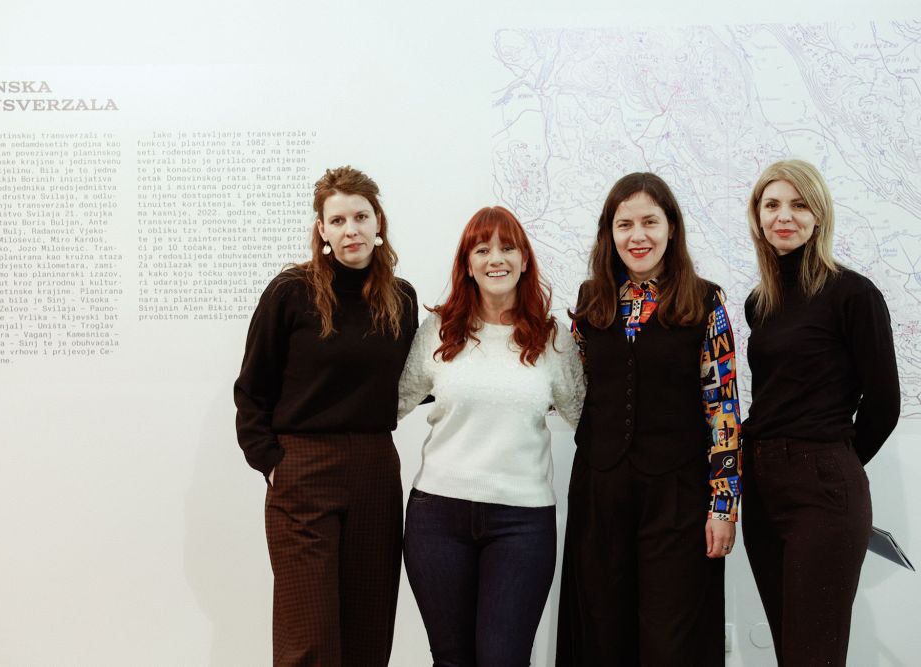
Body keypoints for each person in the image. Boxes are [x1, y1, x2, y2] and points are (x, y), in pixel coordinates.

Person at [233, 166, 418, 667]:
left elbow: (410, 381)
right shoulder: (291, 291)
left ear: (378, 223)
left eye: (360, 217)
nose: (350, 229)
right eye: (337, 220)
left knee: (367, 628)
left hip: (376, 467)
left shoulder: (401, 298)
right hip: (304, 468)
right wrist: (272, 463)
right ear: (322, 230)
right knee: (308, 634)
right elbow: (252, 387)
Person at [556, 172, 742, 666]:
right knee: (602, 638)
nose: (637, 236)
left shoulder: (705, 302)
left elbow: (723, 408)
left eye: (649, 222)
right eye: (624, 225)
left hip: (677, 499)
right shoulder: (591, 302)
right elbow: (573, 388)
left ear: (671, 228)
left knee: (670, 643)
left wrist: (723, 507)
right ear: (609, 233)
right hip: (600, 493)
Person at [397, 206, 584, 666]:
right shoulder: (438, 332)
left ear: (524, 260)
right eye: (482, 249)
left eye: (507, 248)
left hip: (522, 524)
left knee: (504, 658)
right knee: (452, 658)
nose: (495, 259)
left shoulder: (553, 340)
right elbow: (391, 404)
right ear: (467, 264)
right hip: (437, 518)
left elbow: (588, 420)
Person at [741, 159, 900, 666]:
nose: (784, 216)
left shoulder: (853, 294)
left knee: (813, 655)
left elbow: (884, 403)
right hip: (761, 486)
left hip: (823, 489)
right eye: (771, 205)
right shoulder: (759, 302)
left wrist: (832, 462)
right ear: (758, 217)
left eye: (798, 204)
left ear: (819, 215)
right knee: (790, 650)